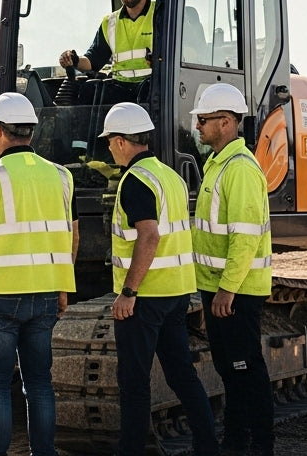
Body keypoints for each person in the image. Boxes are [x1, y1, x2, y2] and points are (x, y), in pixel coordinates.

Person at [0, 92, 78, 456]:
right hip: (45, 294)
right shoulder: (62, 176)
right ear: (31, 132)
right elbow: (72, 234)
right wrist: (63, 286)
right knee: (39, 383)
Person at [99, 102, 219, 456]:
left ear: (122, 141)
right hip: (176, 291)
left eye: (109, 141)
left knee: (134, 382)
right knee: (181, 374)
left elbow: (149, 236)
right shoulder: (170, 176)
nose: (109, 148)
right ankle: (208, 447)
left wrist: (128, 291)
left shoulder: (135, 181)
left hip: (145, 298)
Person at [192, 83, 274, 456]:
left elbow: (245, 237)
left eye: (203, 120)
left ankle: (261, 446)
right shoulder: (218, 165)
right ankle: (237, 442)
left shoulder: (239, 169)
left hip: (237, 291)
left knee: (246, 369)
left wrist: (227, 290)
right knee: (231, 370)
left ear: (225, 122)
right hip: (219, 288)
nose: (197, 126)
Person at [59, 0, 157, 102]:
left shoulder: (161, 15)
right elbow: (93, 61)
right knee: (88, 90)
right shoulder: (110, 22)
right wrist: (74, 60)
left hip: (153, 89)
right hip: (119, 91)